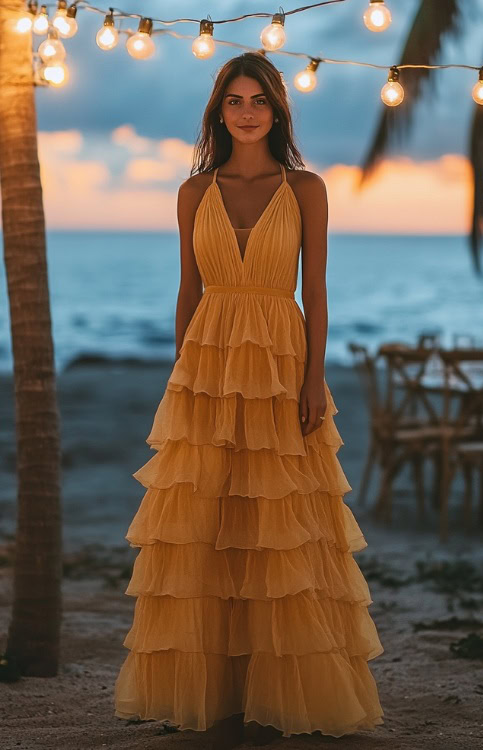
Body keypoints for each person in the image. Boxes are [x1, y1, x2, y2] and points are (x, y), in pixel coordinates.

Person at [114, 51, 384, 749]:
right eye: (234, 100)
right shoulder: (192, 191)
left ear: (277, 109)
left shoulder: (307, 189)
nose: (246, 111)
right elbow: (188, 292)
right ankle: (213, 692)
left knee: (280, 524)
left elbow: (316, 293)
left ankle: (285, 688)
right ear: (219, 112)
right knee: (207, 522)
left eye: (258, 98)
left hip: (279, 363)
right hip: (206, 367)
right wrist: (182, 378)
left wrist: (313, 378)